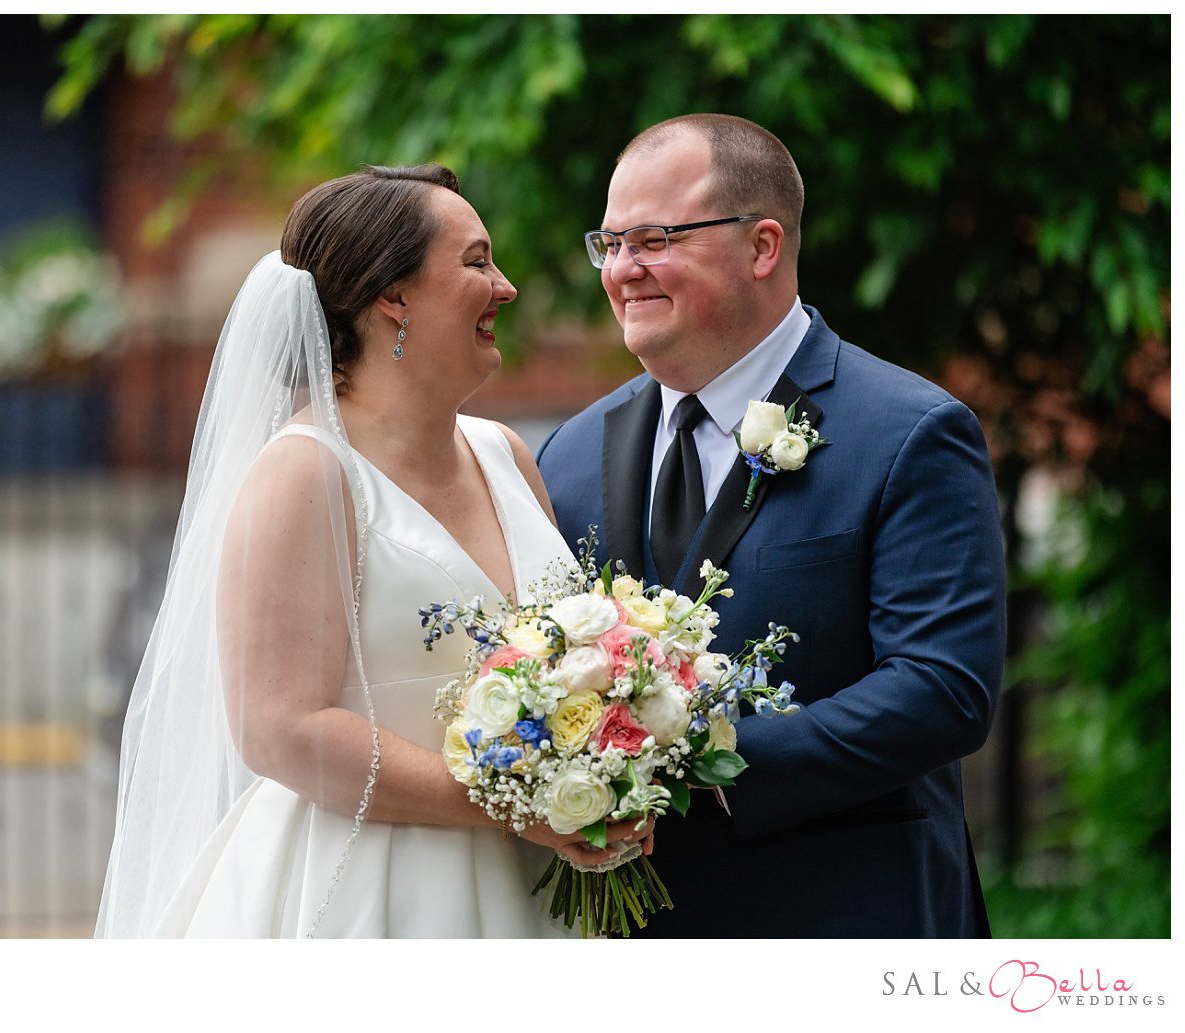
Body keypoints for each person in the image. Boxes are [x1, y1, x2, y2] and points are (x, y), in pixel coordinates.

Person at [96, 165, 647, 938]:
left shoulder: (505, 454)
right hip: (373, 886)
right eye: (476, 261)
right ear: (394, 297)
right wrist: (518, 804)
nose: (507, 286)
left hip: (536, 878)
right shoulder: (305, 472)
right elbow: (280, 728)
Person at [536, 114, 1003, 936]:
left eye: (653, 238)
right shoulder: (572, 451)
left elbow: (943, 688)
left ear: (762, 247)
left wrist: (698, 756)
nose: (622, 270)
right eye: (609, 243)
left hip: (843, 919)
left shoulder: (908, 431)